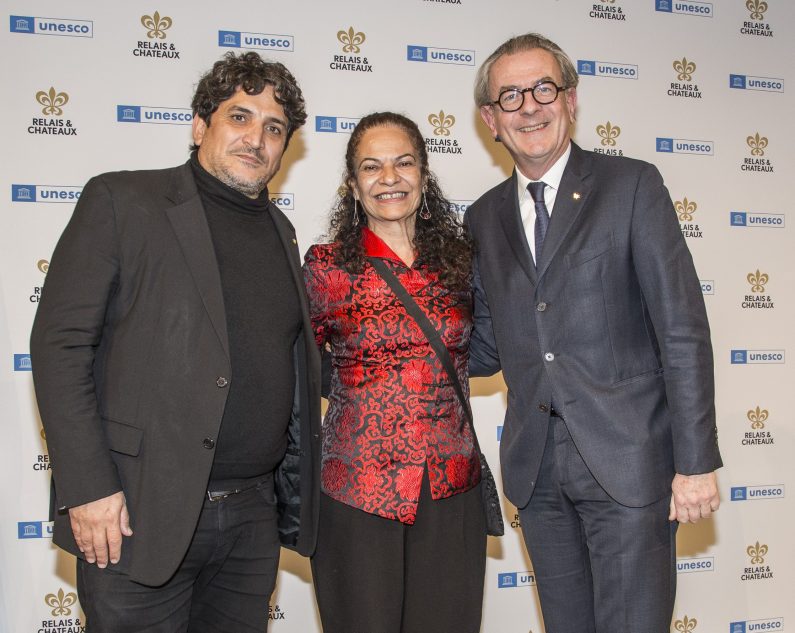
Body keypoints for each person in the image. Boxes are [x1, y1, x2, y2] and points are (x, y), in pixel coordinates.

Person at [30, 52, 320, 632]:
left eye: (273, 128)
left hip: (249, 522)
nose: (255, 139)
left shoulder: (282, 233)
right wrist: (88, 488)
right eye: (239, 117)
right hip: (136, 513)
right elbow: (60, 347)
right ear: (199, 125)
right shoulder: (123, 202)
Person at [466, 33, 722, 632]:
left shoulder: (632, 186)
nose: (529, 106)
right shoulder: (482, 217)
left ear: (571, 100)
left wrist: (695, 461)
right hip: (536, 472)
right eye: (510, 96)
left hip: (630, 462)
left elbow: (682, 328)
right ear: (489, 119)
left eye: (543, 89)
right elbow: (481, 346)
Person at [303, 112, 486, 633]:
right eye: (372, 167)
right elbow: (303, 369)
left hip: (450, 486)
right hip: (358, 488)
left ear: (424, 176)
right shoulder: (327, 266)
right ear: (353, 185)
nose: (390, 178)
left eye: (404, 163)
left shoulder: (459, 261)